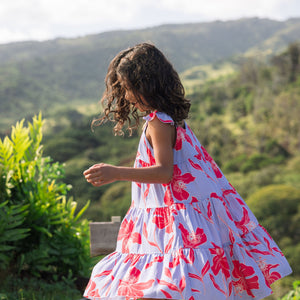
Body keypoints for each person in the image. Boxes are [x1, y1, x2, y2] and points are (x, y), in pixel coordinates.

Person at [83, 43, 292, 300]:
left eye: (129, 88)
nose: (126, 97)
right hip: (188, 217)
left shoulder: (159, 122)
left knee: (164, 283)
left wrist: (115, 172)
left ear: (147, 84)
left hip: (177, 222)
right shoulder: (172, 118)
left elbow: (163, 173)